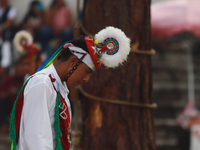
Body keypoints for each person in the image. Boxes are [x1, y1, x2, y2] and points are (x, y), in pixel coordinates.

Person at [9, 26, 131, 150]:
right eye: (86, 71)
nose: (86, 79)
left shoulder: (59, 87)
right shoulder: (42, 83)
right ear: (72, 62)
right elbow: (36, 140)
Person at [0, 60, 25, 134]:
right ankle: (4, 125)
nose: (19, 72)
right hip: (10, 105)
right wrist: (8, 93)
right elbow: (1, 94)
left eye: (21, 70)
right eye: (18, 70)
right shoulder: (9, 79)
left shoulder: (27, 79)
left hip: (21, 106)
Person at [0, 0, 17, 70]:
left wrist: (1, 28)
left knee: (5, 59)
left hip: (5, 38)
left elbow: (9, 22)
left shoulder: (11, 10)